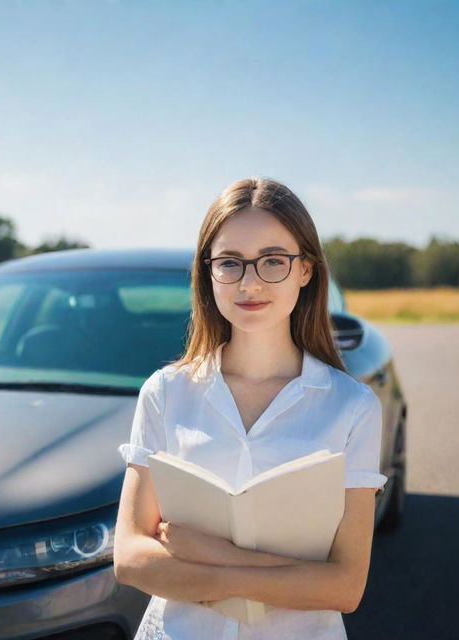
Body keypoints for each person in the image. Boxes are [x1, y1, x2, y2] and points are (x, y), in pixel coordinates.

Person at [113, 177, 388, 640]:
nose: (250, 282)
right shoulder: (165, 392)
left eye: (273, 261)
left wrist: (206, 556)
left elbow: (345, 586)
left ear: (306, 270)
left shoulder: (352, 406)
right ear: (208, 272)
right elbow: (130, 557)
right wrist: (294, 575)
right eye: (231, 263)